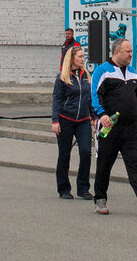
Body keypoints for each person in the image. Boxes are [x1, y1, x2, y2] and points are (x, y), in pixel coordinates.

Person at [90, 39, 137, 217]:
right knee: (104, 164)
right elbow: (94, 95)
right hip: (110, 127)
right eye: (128, 51)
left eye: (131, 51)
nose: (131, 54)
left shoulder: (132, 72)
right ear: (116, 53)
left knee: (135, 164)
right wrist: (102, 115)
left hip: (130, 128)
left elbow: (136, 98)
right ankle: (100, 198)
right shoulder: (102, 71)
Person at [51, 45, 94, 199]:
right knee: (64, 154)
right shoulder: (62, 77)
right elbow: (57, 99)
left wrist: (93, 117)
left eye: (83, 56)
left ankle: (83, 188)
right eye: (80, 57)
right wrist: (55, 120)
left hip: (83, 120)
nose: (83, 59)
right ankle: (63, 188)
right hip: (65, 119)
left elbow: (89, 99)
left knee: (86, 152)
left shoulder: (86, 76)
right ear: (72, 59)